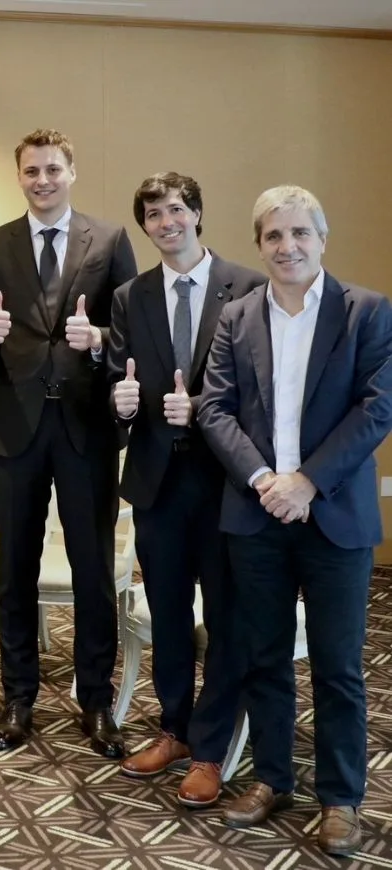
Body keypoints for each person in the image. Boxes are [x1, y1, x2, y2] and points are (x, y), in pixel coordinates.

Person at [199, 185, 392, 857]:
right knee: (265, 657)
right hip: (257, 516)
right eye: (274, 235)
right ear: (260, 245)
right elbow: (214, 408)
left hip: (334, 516)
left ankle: (340, 798)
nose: (288, 247)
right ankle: (273, 779)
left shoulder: (366, 310)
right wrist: (264, 482)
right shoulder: (237, 316)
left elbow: (377, 407)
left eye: (300, 233)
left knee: (338, 666)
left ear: (322, 239)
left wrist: (307, 481)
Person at [0, 128, 137, 757]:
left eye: (53, 169)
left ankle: (95, 701)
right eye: (32, 171)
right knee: (16, 568)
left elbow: (132, 330)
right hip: (17, 428)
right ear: (19, 177)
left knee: (93, 571)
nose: (42, 180)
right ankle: (19, 699)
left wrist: (102, 344)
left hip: (86, 428)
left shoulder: (110, 240)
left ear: (72, 172)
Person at [105, 173, 265, 806]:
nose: (166, 222)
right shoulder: (130, 296)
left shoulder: (246, 287)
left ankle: (210, 748)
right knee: (168, 614)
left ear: (197, 213)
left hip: (226, 484)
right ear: (144, 225)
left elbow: (260, 389)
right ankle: (173, 728)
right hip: (157, 483)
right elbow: (119, 378)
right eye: (153, 214)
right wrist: (120, 402)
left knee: (225, 619)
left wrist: (201, 409)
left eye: (176, 209)